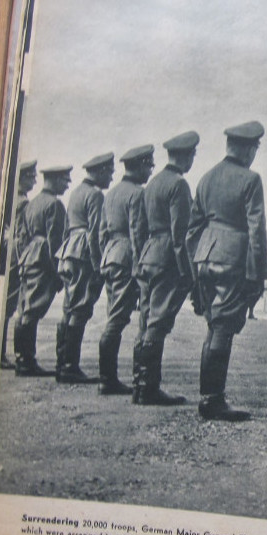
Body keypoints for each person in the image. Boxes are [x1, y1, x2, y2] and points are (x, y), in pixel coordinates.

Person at [186, 121, 267, 421]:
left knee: (214, 324)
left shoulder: (207, 178)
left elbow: (192, 229)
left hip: (205, 254)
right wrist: (257, 273)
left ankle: (209, 396)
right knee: (223, 326)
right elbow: (257, 230)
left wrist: (197, 262)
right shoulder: (250, 179)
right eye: (255, 148)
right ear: (247, 149)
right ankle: (212, 399)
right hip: (233, 256)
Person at [135, 135, 197, 406]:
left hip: (148, 255)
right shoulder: (179, 185)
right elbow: (179, 235)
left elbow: (138, 228)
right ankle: (149, 388)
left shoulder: (152, 184)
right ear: (185, 156)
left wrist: (141, 258)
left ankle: (139, 384)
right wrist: (187, 272)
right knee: (158, 323)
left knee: (146, 320)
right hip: (167, 258)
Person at [54, 153, 113, 384]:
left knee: (69, 308)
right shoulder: (96, 195)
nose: (110, 177)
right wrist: (98, 266)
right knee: (80, 309)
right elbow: (96, 234)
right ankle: (69, 366)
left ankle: (62, 363)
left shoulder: (76, 192)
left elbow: (68, 228)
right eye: (108, 172)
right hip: (83, 254)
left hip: (69, 251)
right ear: (99, 172)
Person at [96, 145, 151, 395]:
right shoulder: (137, 194)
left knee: (113, 316)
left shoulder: (111, 193)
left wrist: (104, 256)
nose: (150, 171)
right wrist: (140, 266)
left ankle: (107, 377)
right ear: (139, 166)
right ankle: (107, 379)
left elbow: (101, 232)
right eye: (148, 166)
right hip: (127, 256)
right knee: (117, 320)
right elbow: (138, 233)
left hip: (110, 255)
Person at [13, 163, 71, 376]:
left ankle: (22, 359)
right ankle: (26, 362)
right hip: (42, 260)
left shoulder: (32, 203)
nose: (67, 184)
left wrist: (23, 259)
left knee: (25, 310)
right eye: (65, 180)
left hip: (29, 257)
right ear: (55, 180)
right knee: (32, 311)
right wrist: (57, 274)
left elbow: (21, 236)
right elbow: (55, 242)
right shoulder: (54, 205)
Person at [0, 160, 38, 369]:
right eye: (31, 177)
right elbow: (22, 233)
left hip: (10, 250)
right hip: (15, 253)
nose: (34, 180)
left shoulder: (13, 199)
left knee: (7, 306)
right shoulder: (21, 202)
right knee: (8, 306)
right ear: (21, 178)